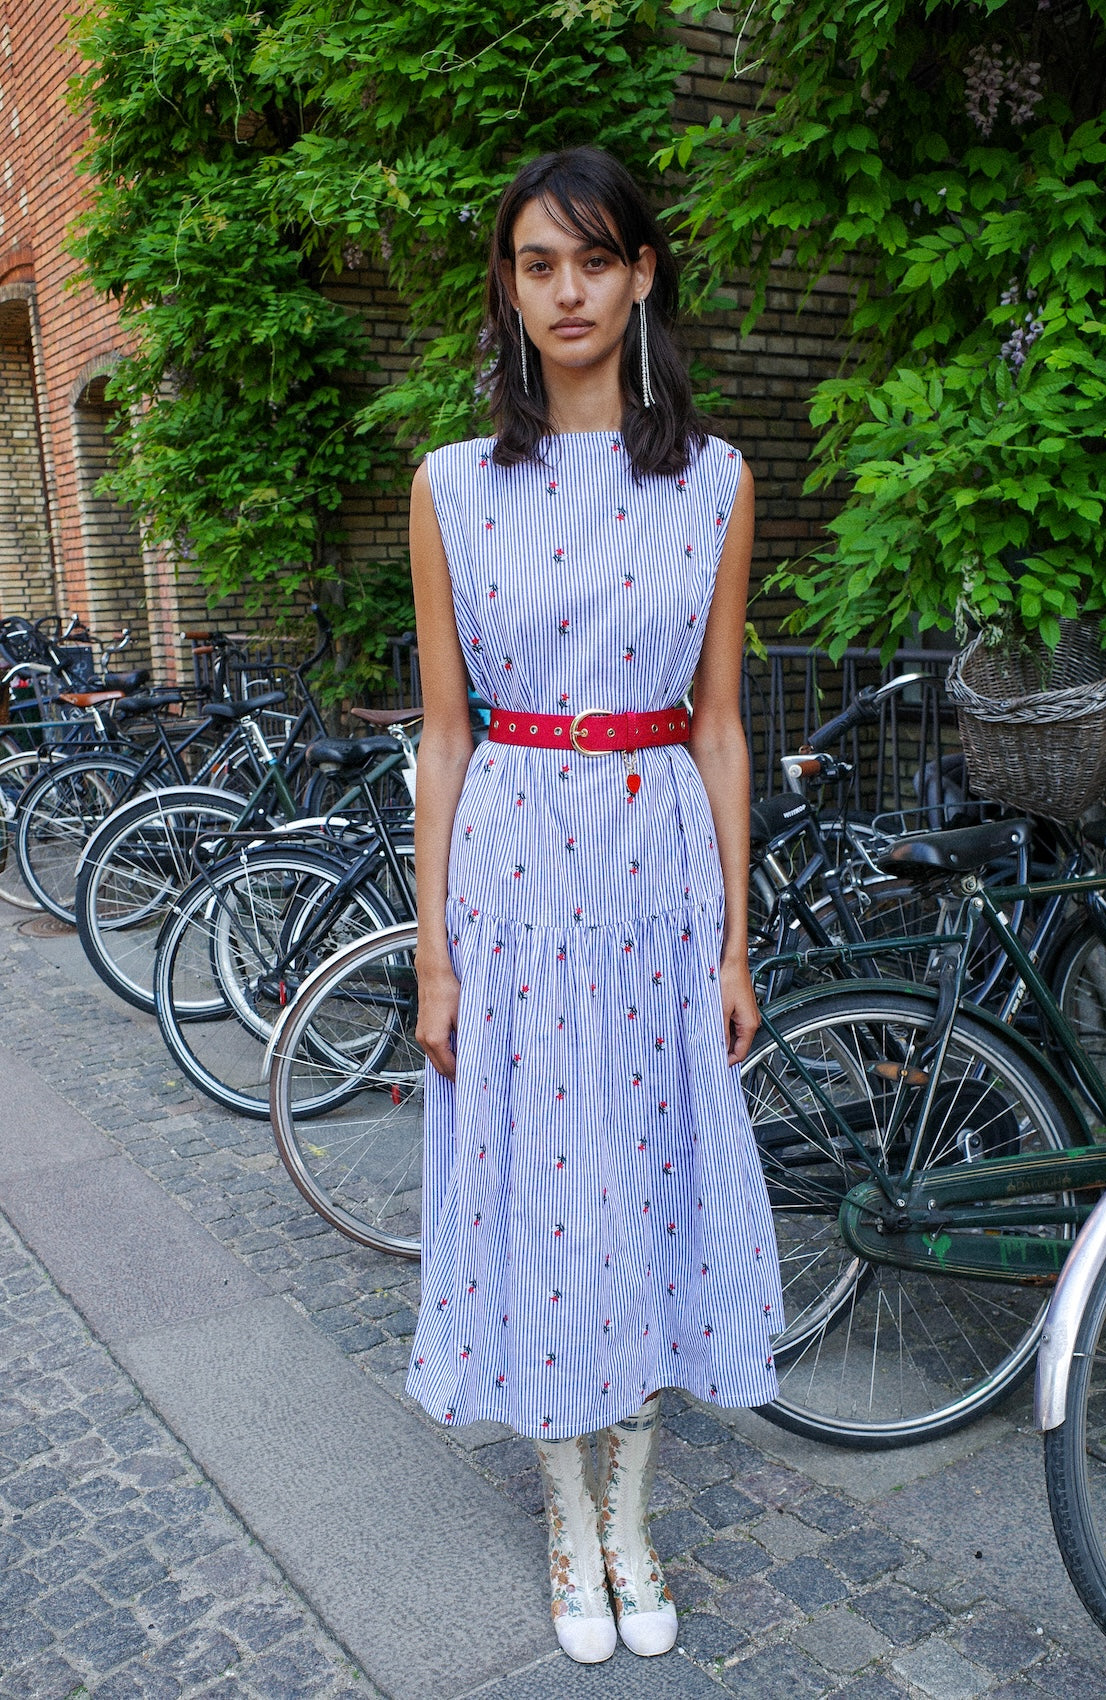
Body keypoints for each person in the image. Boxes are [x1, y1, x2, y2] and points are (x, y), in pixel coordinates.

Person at [407, 146, 783, 1665]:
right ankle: (567, 1515)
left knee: (646, 1180)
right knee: (540, 1186)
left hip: (655, 873)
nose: (565, 291)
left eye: (593, 262)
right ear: (508, 286)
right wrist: (430, 954)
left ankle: (633, 1516)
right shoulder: (448, 485)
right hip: (510, 871)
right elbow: (441, 732)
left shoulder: (712, 482)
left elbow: (717, 724)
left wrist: (735, 940)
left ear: (641, 278)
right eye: (534, 264)